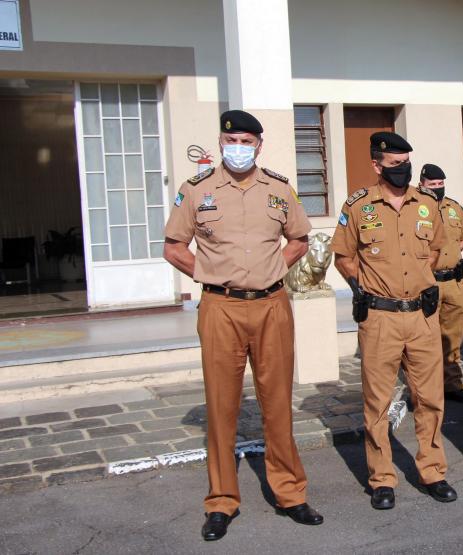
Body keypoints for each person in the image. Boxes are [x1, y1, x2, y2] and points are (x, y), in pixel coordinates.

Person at [163, 110, 323, 541]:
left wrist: (274, 267)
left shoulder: (279, 189)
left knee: (277, 404)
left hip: (272, 305)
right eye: (231, 141)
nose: (238, 148)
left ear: (258, 146)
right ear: (220, 143)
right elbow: (174, 247)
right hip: (220, 308)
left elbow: (300, 240)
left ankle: (290, 493)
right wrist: (209, 273)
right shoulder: (195, 191)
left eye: (247, 141)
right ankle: (221, 501)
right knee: (221, 408)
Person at [331, 132, 457, 509]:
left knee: (430, 398)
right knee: (377, 401)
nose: (403, 170)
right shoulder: (358, 206)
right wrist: (360, 289)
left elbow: (437, 249)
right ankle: (382, 477)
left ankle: (433, 471)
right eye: (395, 164)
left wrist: (422, 281)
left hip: (421, 316)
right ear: (376, 165)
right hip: (380, 317)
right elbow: (343, 256)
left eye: (406, 163)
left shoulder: (427, 205)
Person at [420, 163, 463, 404]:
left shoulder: (453, 207)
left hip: (454, 281)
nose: (437, 188)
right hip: (428, 282)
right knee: (425, 339)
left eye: (440, 184)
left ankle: (451, 384)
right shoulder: (415, 207)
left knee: (453, 337)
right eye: (432, 185)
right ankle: (426, 390)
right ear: (422, 184)